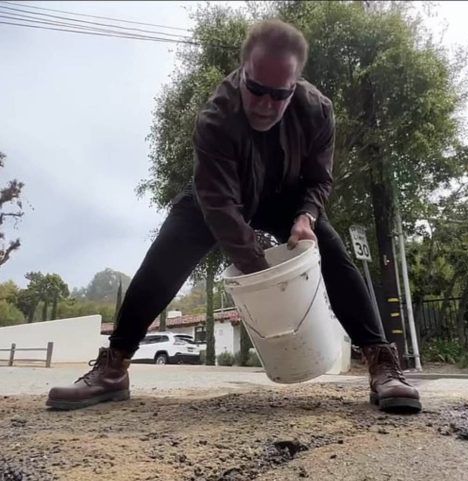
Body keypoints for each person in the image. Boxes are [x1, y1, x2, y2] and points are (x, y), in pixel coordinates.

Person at [46, 19, 421, 413]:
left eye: (279, 95)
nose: (265, 104)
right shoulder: (215, 119)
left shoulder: (318, 111)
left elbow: (319, 180)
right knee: (165, 257)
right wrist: (263, 272)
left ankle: (382, 364)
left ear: (295, 85)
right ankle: (113, 367)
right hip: (219, 194)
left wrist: (307, 217)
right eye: (256, 89)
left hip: (286, 197)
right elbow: (221, 208)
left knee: (332, 252)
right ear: (243, 71)